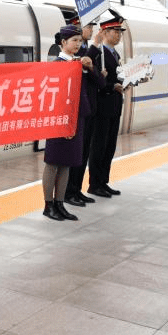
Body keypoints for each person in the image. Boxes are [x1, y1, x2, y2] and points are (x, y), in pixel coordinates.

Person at [41, 25, 97, 221]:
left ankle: (60, 203)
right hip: (60, 120)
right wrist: (65, 122)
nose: (78, 44)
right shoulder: (57, 64)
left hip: (77, 119)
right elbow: (55, 97)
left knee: (67, 164)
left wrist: (89, 67)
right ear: (63, 43)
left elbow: (97, 84)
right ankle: (48, 205)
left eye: (80, 41)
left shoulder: (79, 63)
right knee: (53, 163)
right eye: (74, 41)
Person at [64, 19, 106, 204]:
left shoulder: (88, 54)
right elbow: (80, 66)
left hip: (89, 110)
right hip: (77, 111)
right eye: (88, 27)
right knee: (75, 154)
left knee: (83, 153)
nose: (91, 30)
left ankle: (77, 189)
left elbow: (99, 81)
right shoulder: (76, 54)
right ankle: (68, 192)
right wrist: (95, 46)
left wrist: (93, 68)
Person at [87, 13, 127, 198]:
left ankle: (104, 181)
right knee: (99, 146)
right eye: (115, 31)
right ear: (105, 32)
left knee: (110, 146)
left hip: (114, 106)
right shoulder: (99, 54)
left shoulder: (115, 53)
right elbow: (94, 80)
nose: (119, 35)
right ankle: (94, 184)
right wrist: (111, 85)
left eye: (120, 32)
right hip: (102, 106)